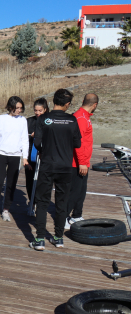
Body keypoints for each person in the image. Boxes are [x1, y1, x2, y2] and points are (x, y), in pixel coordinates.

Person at [31, 89, 81, 250]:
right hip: (65, 167)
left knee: (42, 202)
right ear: (67, 104)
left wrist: (45, 148)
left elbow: (37, 143)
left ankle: (39, 239)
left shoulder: (43, 119)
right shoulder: (72, 120)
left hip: (47, 165)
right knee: (61, 202)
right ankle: (58, 238)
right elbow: (77, 143)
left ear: (53, 101)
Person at [0, 96, 29, 222]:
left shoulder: (23, 120)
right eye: (17, 108)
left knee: (11, 184)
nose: (19, 110)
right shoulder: (0, 119)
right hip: (1, 154)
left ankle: (6, 210)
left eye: (21, 108)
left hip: (16, 155)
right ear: (10, 107)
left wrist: (25, 157)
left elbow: (25, 140)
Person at [65, 93, 98, 229]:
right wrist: (82, 162)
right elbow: (78, 143)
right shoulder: (81, 118)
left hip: (84, 161)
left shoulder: (85, 116)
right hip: (77, 163)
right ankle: (64, 217)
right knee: (74, 191)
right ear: (95, 105)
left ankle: (77, 215)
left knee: (81, 191)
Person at [25, 98, 49, 203]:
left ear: (45, 109)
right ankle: (32, 201)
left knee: (42, 182)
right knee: (29, 181)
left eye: (40, 110)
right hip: (30, 156)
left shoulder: (49, 121)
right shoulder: (29, 121)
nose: (37, 113)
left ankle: (40, 203)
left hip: (43, 156)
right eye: (35, 110)